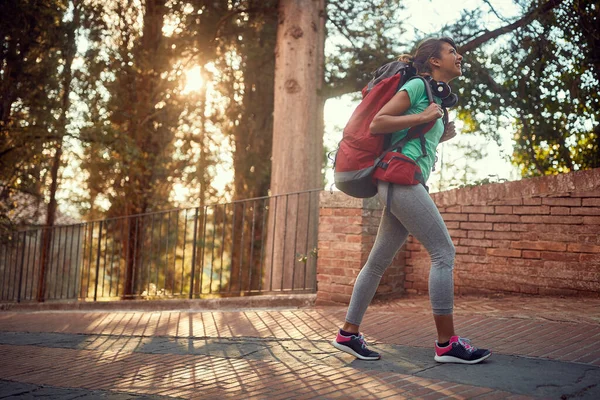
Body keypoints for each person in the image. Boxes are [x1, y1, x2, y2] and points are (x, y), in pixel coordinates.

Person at [331, 37, 491, 364]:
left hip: (404, 180)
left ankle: (348, 333)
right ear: (434, 61)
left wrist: (438, 130)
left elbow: (412, 137)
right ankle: (446, 344)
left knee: (377, 262)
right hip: (399, 179)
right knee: (443, 252)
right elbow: (379, 122)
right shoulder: (418, 85)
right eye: (451, 52)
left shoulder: (434, 99)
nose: (459, 56)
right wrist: (422, 119)